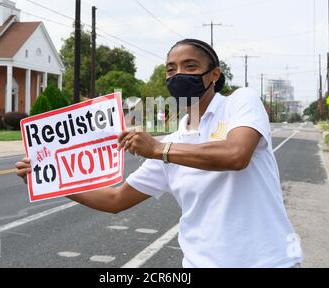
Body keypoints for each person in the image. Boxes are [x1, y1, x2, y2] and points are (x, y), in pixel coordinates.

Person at [16, 39, 303, 268]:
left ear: (214, 74)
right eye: (171, 69)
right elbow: (115, 199)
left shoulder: (240, 102)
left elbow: (236, 154)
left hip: (268, 262)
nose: (178, 74)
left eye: (190, 66)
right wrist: (48, 180)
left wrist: (157, 149)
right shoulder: (173, 144)